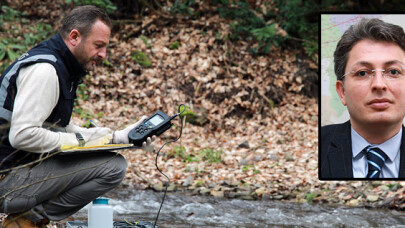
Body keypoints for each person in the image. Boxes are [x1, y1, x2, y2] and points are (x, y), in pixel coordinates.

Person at [0, 5, 154, 227]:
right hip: (6, 179)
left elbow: (59, 128)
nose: (103, 55)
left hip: (15, 170)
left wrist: (118, 137)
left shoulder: (57, 64)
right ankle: (25, 222)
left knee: (112, 161)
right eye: (98, 46)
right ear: (74, 37)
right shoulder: (45, 71)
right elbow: (23, 136)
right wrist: (79, 142)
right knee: (112, 167)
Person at [320, 18, 405, 179]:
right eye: (362, 73)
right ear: (342, 91)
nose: (379, 84)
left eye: (393, 72)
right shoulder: (319, 146)